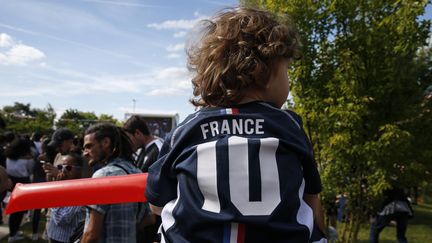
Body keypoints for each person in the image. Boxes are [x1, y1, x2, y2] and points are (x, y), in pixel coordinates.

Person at [145, 6, 326, 243]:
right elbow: (311, 202)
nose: (288, 79)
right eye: (287, 69)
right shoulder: (289, 125)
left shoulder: (184, 130)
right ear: (262, 71)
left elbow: (156, 204)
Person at [81, 123, 146, 243]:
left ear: (106, 142)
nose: (85, 153)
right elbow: (150, 218)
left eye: (89, 146)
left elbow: (92, 234)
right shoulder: (137, 172)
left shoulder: (103, 176)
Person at [123, 115, 163, 243]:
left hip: (156, 223)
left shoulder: (160, 148)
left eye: (128, 138)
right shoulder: (141, 151)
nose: (127, 143)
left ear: (138, 133)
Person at [47, 153, 86, 243]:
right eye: (61, 167)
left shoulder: (80, 191)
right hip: (53, 235)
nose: (63, 171)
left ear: (79, 170)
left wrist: (53, 195)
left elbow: (62, 219)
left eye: (68, 168)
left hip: (66, 239)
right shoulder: (63, 185)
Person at [5, 137, 35, 242]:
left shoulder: (9, 156)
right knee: (19, 210)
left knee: (14, 209)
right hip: (23, 183)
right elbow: (30, 170)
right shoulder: (27, 159)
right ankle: (13, 235)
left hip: (11, 182)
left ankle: (14, 231)